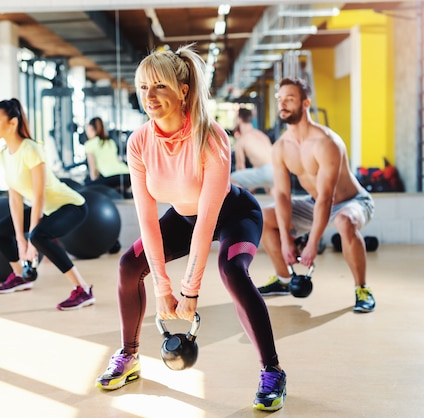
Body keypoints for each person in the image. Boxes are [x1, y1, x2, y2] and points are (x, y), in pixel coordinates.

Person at [94, 44, 287, 412]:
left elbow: (208, 220)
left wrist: (188, 292)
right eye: (144, 87)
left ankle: (272, 371)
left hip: (233, 213)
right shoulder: (139, 142)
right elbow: (148, 218)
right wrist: (162, 288)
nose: (149, 96)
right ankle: (129, 355)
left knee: (231, 269)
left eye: (160, 86)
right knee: (128, 266)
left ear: (183, 91)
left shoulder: (211, 137)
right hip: (183, 217)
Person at [257, 77, 376, 313]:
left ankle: (362, 289)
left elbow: (327, 198)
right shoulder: (281, 147)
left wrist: (312, 244)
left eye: (289, 99)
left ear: (305, 103)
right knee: (262, 216)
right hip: (314, 202)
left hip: (351, 201)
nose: (282, 104)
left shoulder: (326, 142)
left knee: (344, 221)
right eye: (280, 99)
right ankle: (283, 279)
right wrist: (285, 240)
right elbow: (281, 194)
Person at [0, 98, 95, 311]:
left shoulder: (31, 150)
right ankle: (21, 276)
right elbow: (15, 199)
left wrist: (29, 242)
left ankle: (83, 289)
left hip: (71, 206)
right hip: (47, 209)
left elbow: (38, 197)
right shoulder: (4, 155)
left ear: (13, 123)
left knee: (38, 236)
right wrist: (20, 239)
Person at [230, 108, 274, 193]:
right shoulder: (261, 135)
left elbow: (240, 166)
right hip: (277, 171)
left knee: (230, 179)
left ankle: (245, 202)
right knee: (270, 189)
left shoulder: (241, 139)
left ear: (239, 120)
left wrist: (246, 185)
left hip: (265, 172)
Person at [84, 117, 131, 193]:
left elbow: (93, 171)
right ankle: (118, 190)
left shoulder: (89, 144)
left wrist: (95, 187)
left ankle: (115, 190)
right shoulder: (111, 142)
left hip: (110, 177)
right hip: (127, 175)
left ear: (91, 129)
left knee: (87, 183)